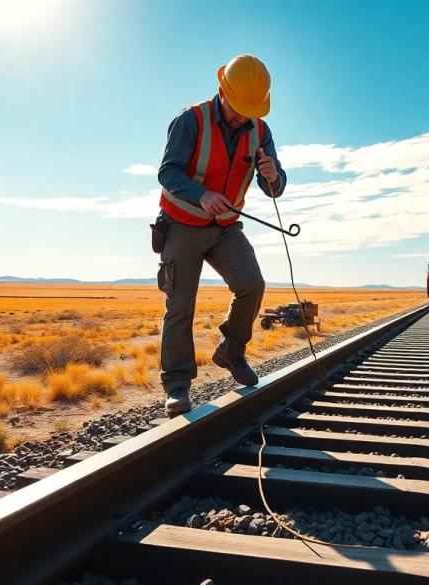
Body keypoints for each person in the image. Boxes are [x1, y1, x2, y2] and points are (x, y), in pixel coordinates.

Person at [154, 54, 287, 417]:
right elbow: (168, 173)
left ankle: (231, 350)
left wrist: (274, 175)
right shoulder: (191, 120)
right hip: (182, 224)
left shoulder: (261, 131)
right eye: (240, 107)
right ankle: (178, 384)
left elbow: (273, 188)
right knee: (180, 305)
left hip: (226, 227)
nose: (244, 115)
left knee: (253, 284)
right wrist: (202, 195)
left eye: (252, 109)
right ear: (222, 91)